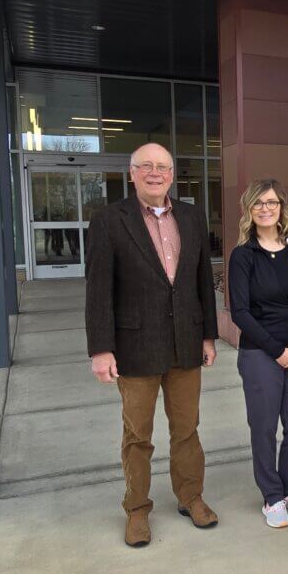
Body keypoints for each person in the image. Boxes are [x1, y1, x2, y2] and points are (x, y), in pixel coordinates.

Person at [85, 143, 219, 548]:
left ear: (172, 175)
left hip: (185, 345)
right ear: (132, 174)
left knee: (187, 430)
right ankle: (137, 509)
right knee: (138, 436)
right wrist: (101, 349)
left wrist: (208, 335)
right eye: (146, 166)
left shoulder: (192, 216)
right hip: (134, 347)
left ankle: (191, 496)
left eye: (162, 167)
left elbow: (201, 283)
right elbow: (98, 290)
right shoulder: (110, 220)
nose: (155, 173)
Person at [228, 179, 288, 529]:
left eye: (272, 202)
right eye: (258, 204)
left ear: (282, 207)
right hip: (262, 353)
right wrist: (277, 350)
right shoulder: (243, 255)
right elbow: (241, 313)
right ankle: (271, 495)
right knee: (264, 427)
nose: (266, 208)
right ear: (249, 211)